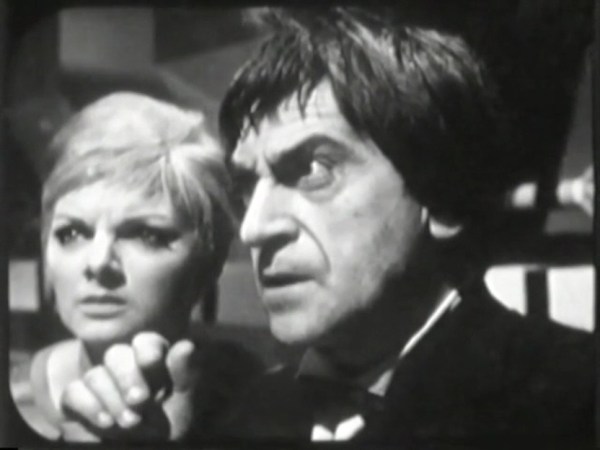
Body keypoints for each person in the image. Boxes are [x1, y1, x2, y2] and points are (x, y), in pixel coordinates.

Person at [60, 7, 594, 445]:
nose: (254, 228)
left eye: (314, 169)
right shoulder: (238, 415)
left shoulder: (575, 400)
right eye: (246, 187)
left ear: (440, 194)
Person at [26, 92, 261, 442]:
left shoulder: (257, 401)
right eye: (71, 233)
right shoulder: (15, 398)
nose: (98, 263)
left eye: (147, 235)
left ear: (208, 264)